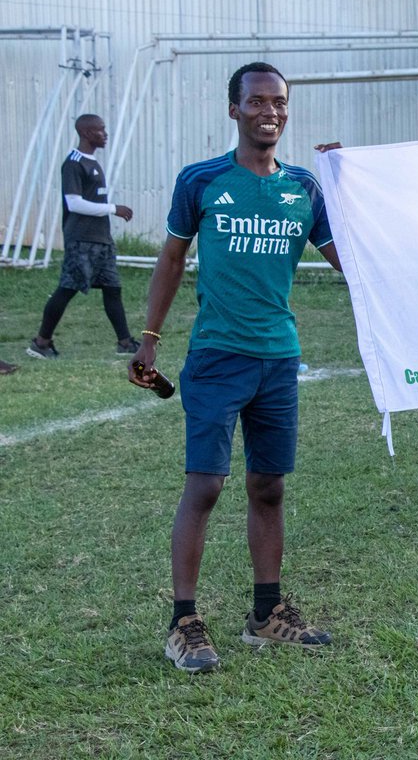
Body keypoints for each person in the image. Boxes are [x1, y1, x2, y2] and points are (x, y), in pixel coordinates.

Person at [129, 62, 342, 673]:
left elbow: (346, 258)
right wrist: (149, 339)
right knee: (207, 485)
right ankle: (183, 622)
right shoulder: (200, 181)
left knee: (268, 486)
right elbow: (170, 260)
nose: (268, 111)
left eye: (278, 102)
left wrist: (348, 182)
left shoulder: (304, 187)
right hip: (217, 357)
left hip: (278, 358)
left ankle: (265, 615)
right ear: (234, 110)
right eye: (256, 102)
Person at [27, 114, 139, 360]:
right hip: (81, 240)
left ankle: (125, 342)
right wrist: (113, 209)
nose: (105, 134)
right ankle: (41, 343)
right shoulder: (74, 163)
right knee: (67, 289)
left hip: (102, 240)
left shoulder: (94, 163)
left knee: (113, 289)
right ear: (87, 133)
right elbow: (74, 203)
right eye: (101, 130)